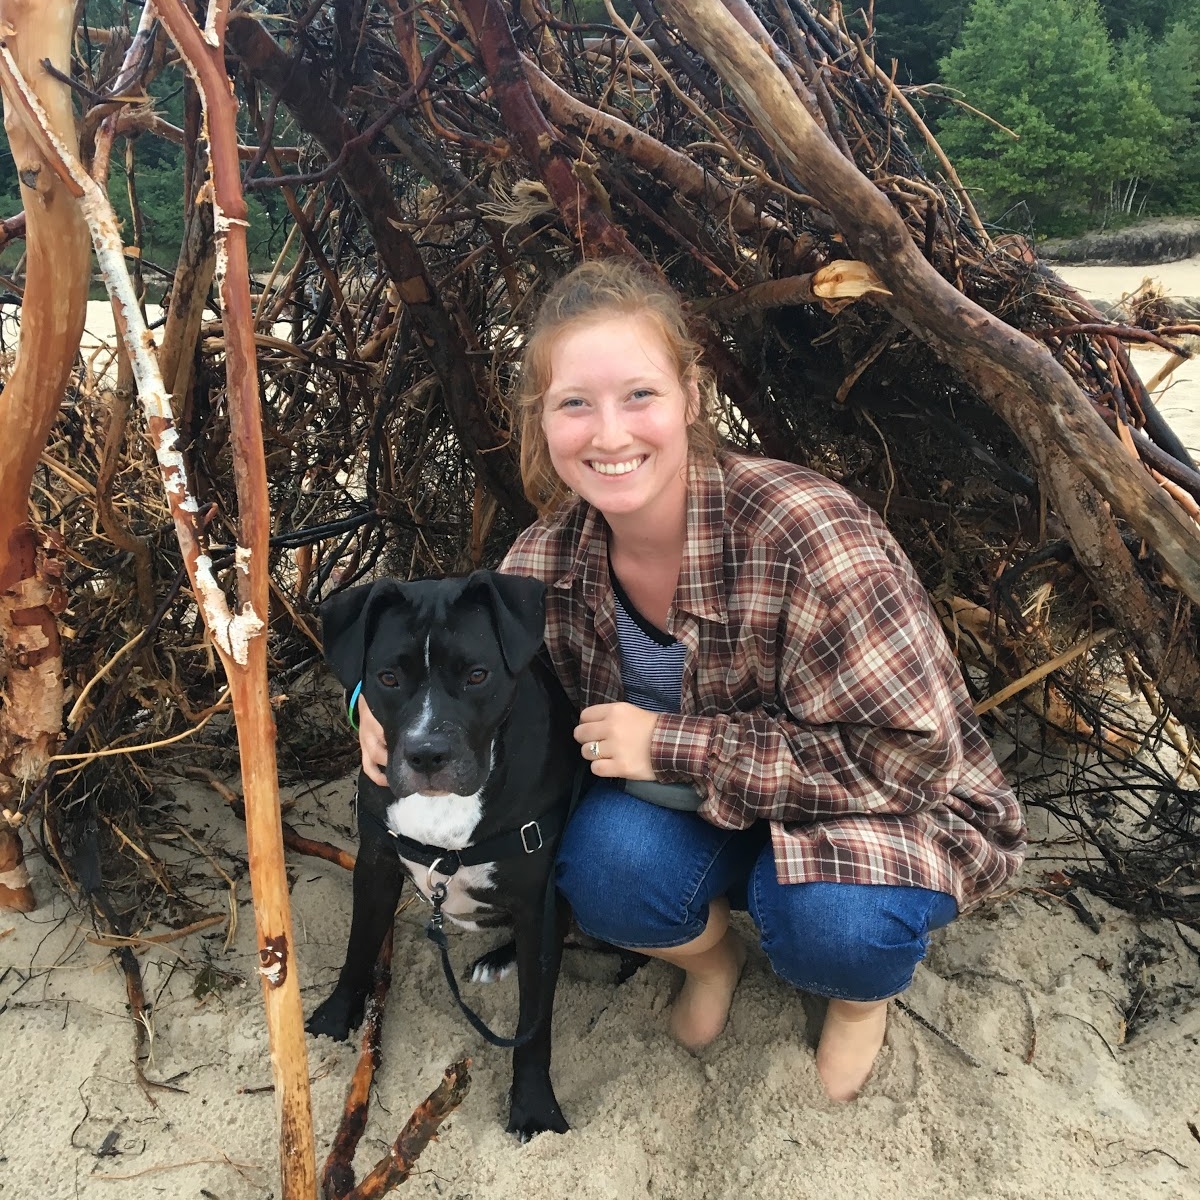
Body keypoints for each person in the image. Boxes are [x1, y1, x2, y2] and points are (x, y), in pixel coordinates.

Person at [354, 260, 1026, 1101]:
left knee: (834, 930)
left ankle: (859, 1003)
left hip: (876, 805)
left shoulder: (808, 536)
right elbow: (458, 667)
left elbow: (910, 761)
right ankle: (714, 958)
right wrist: (373, 707)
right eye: (574, 404)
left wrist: (668, 743)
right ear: (543, 423)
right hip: (698, 811)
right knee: (600, 873)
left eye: (639, 395)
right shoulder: (545, 559)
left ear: (690, 400)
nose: (609, 433)